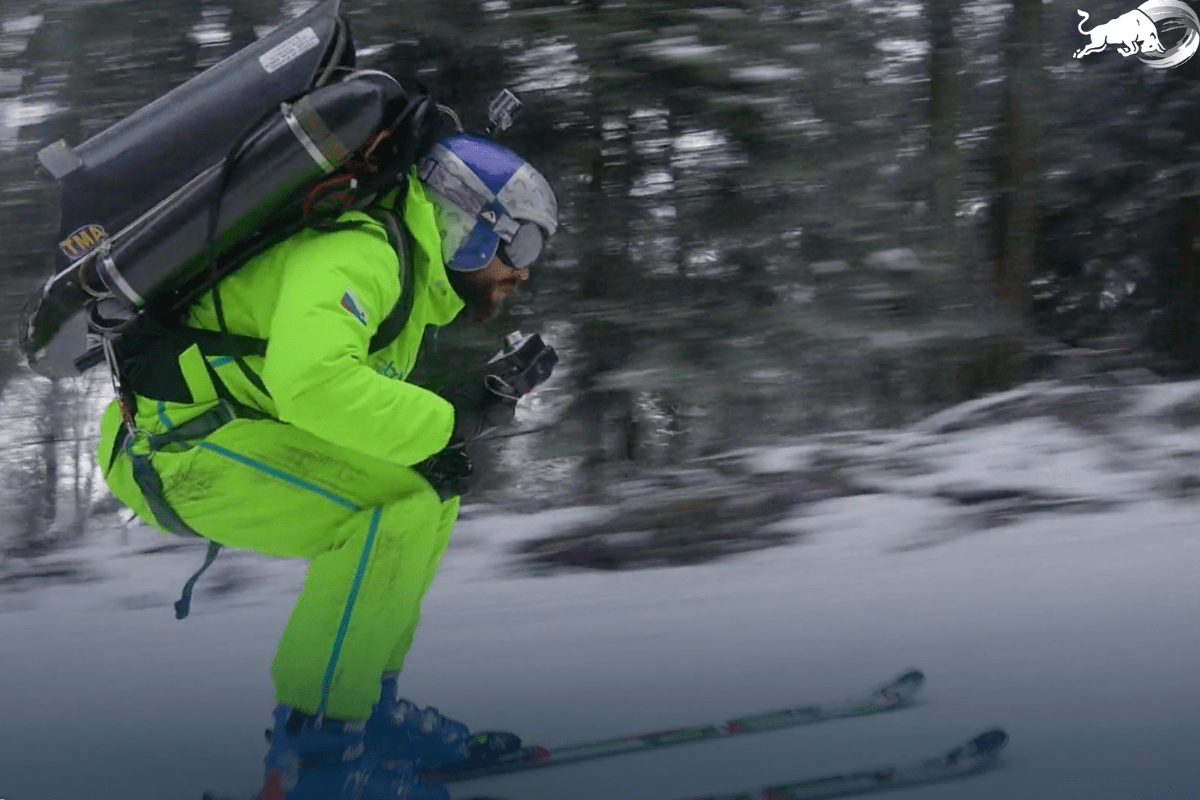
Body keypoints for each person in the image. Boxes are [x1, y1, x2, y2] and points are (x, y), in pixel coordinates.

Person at [95, 132, 559, 800]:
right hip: (170, 444)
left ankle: (366, 713)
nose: (523, 271)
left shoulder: (398, 274)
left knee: (426, 495)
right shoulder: (361, 251)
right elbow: (310, 387)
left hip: (221, 432)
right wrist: (451, 422)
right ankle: (315, 754)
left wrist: (452, 430)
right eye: (522, 244)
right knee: (392, 513)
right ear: (470, 224)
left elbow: (338, 407)